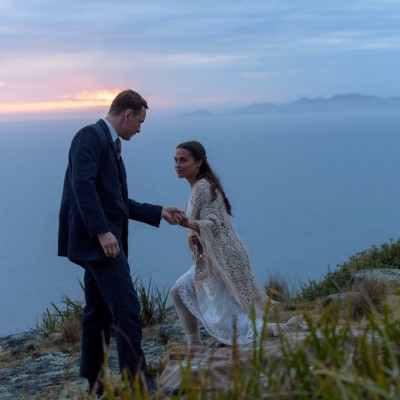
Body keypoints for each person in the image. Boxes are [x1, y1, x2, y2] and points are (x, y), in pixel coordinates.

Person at [58, 89, 182, 395]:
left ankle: (96, 384)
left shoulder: (108, 143)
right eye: (139, 122)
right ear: (127, 114)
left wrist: (158, 212)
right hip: (98, 243)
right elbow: (82, 186)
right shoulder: (90, 137)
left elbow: (115, 201)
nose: (139, 129)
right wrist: (102, 232)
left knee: (97, 313)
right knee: (127, 309)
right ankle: (139, 386)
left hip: (98, 242)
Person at [171, 141, 307, 350]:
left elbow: (214, 224)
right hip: (215, 257)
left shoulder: (203, 188)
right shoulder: (198, 187)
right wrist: (194, 235)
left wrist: (189, 224)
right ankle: (195, 345)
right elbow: (211, 225)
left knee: (237, 322)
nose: (177, 165)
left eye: (183, 160)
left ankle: (284, 329)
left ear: (199, 162)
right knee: (180, 291)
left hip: (223, 259)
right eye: (175, 160)